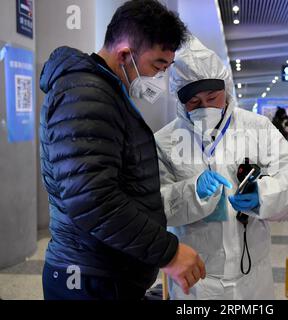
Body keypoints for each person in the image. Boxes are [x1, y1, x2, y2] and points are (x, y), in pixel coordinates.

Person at [39, 0, 205, 300]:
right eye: (157, 66)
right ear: (125, 54)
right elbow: (92, 198)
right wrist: (168, 253)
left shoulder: (104, 92)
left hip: (104, 272)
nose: (159, 78)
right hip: (90, 278)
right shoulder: (86, 94)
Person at [155, 37, 288, 300]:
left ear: (226, 90)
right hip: (196, 282)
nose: (205, 107)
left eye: (212, 97)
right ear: (181, 102)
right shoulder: (165, 141)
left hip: (252, 274)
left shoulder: (257, 127)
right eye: (194, 102)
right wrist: (191, 191)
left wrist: (264, 194)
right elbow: (153, 203)